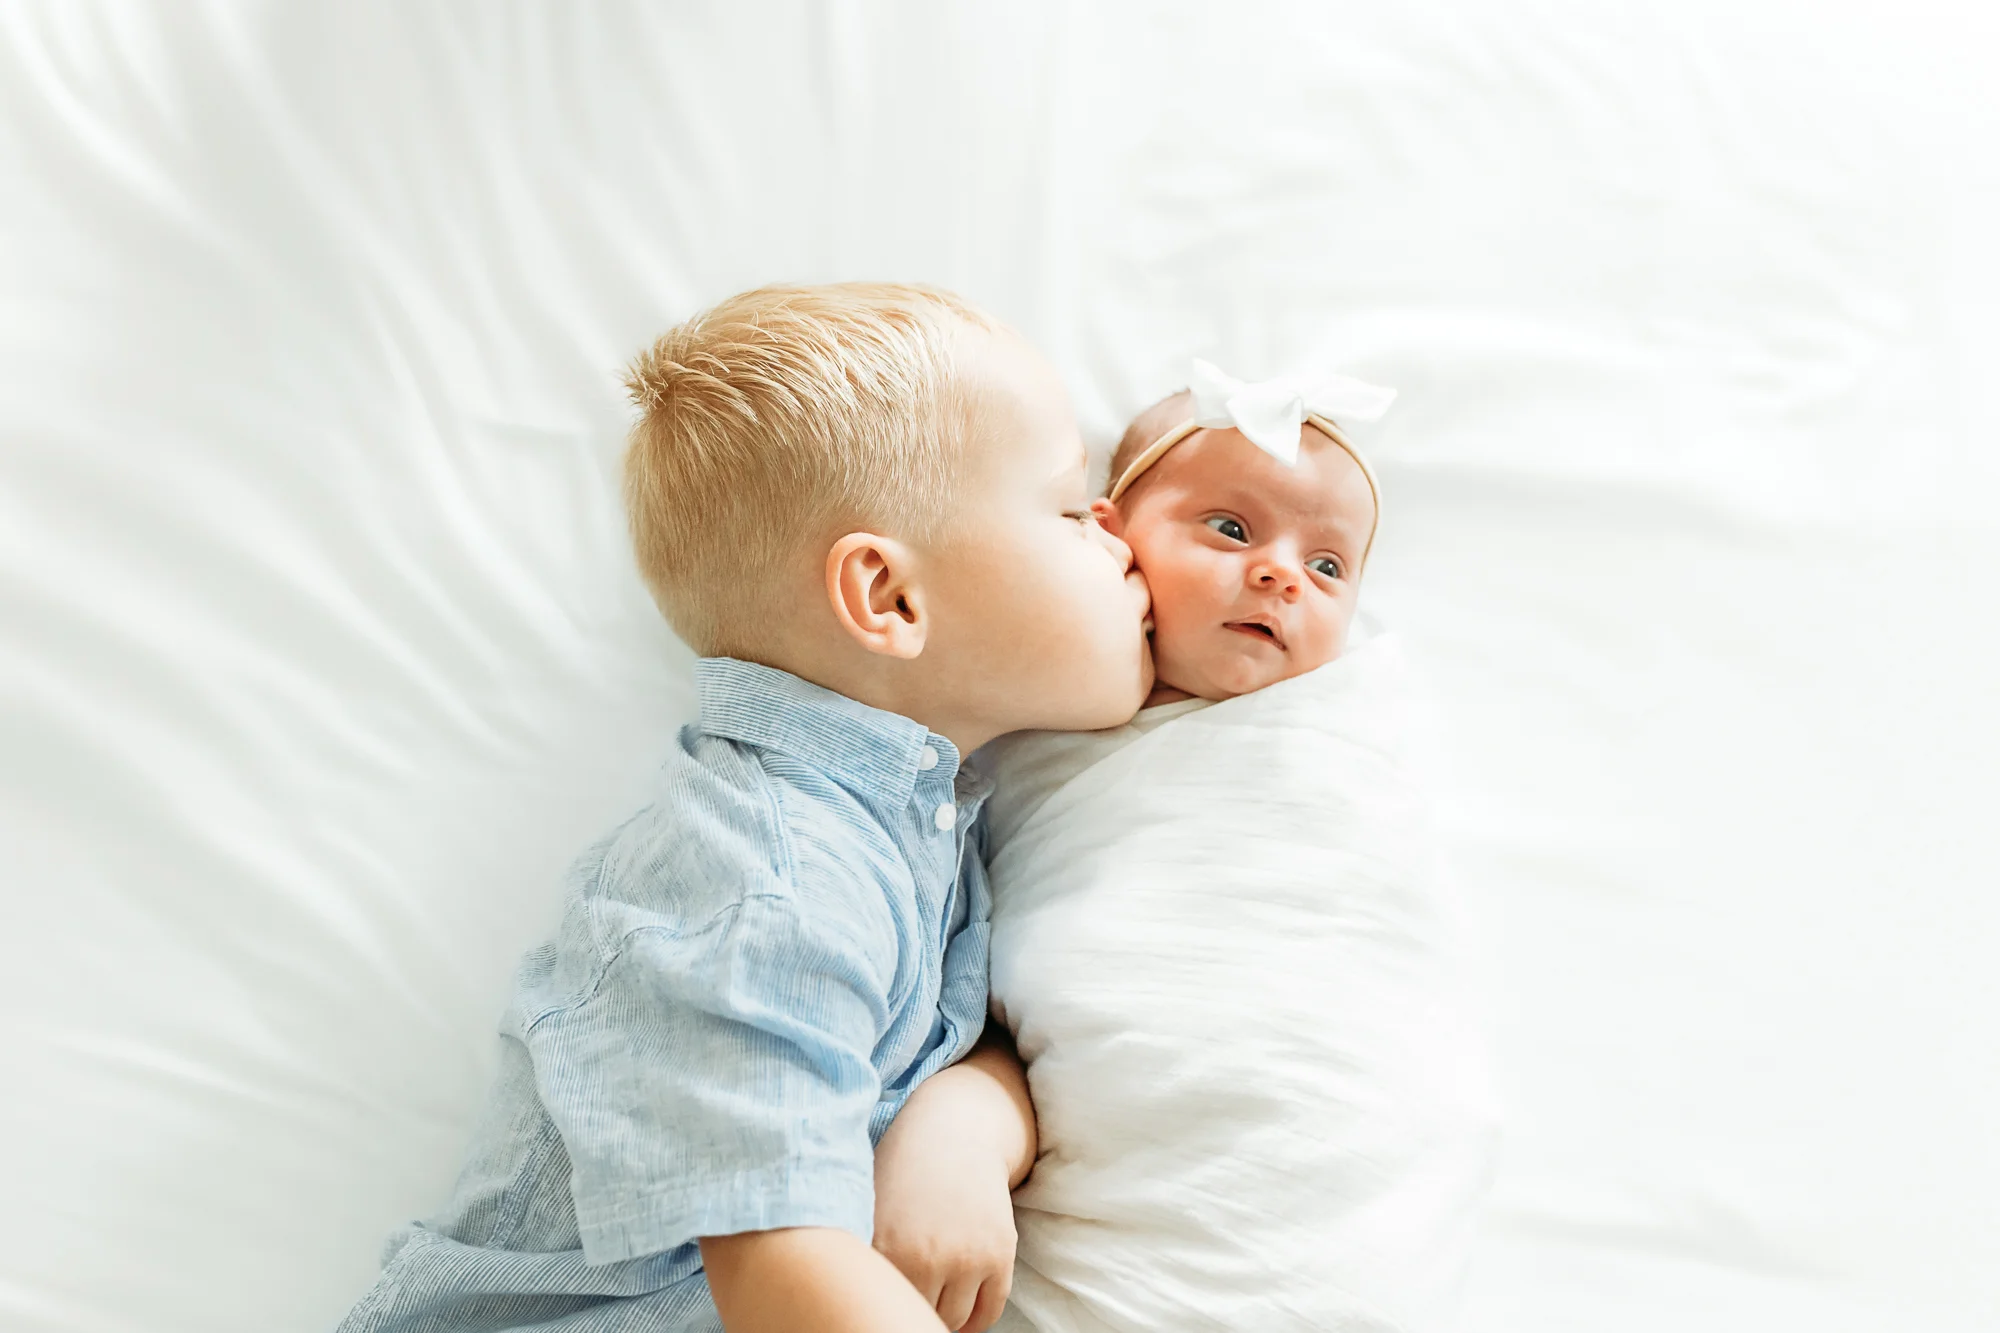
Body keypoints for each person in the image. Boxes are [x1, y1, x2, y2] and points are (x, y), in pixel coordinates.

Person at [334, 283, 1153, 1333]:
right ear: (889, 599)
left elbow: (972, 1029)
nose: (1117, 534)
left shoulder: (917, 822)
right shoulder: (764, 872)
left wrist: (961, 1123)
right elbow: (784, 1275)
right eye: (1068, 507)